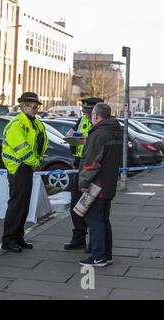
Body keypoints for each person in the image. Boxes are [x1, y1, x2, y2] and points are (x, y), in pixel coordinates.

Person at [1, 92, 49, 253]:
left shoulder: (35, 123)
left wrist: (38, 160)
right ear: (24, 106)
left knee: (24, 205)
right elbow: (23, 150)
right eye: (34, 107)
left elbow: (41, 142)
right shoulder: (17, 124)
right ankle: (8, 240)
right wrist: (36, 163)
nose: (36, 109)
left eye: (37, 107)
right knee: (16, 205)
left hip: (27, 168)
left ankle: (18, 237)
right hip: (18, 168)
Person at [78, 103, 122, 267]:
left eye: (92, 115)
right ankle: (106, 255)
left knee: (95, 221)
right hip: (108, 184)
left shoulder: (99, 134)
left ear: (96, 116)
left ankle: (98, 257)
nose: (90, 117)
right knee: (104, 220)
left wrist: (84, 182)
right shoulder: (115, 132)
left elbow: (91, 163)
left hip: (96, 186)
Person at [64, 97, 104, 251]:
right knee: (75, 205)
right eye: (85, 111)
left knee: (90, 205)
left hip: (92, 168)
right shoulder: (81, 120)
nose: (87, 115)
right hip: (78, 165)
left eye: (90, 112)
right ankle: (78, 238)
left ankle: (93, 243)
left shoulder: (101, 126)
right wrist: (71, 139)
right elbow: (73, 144)